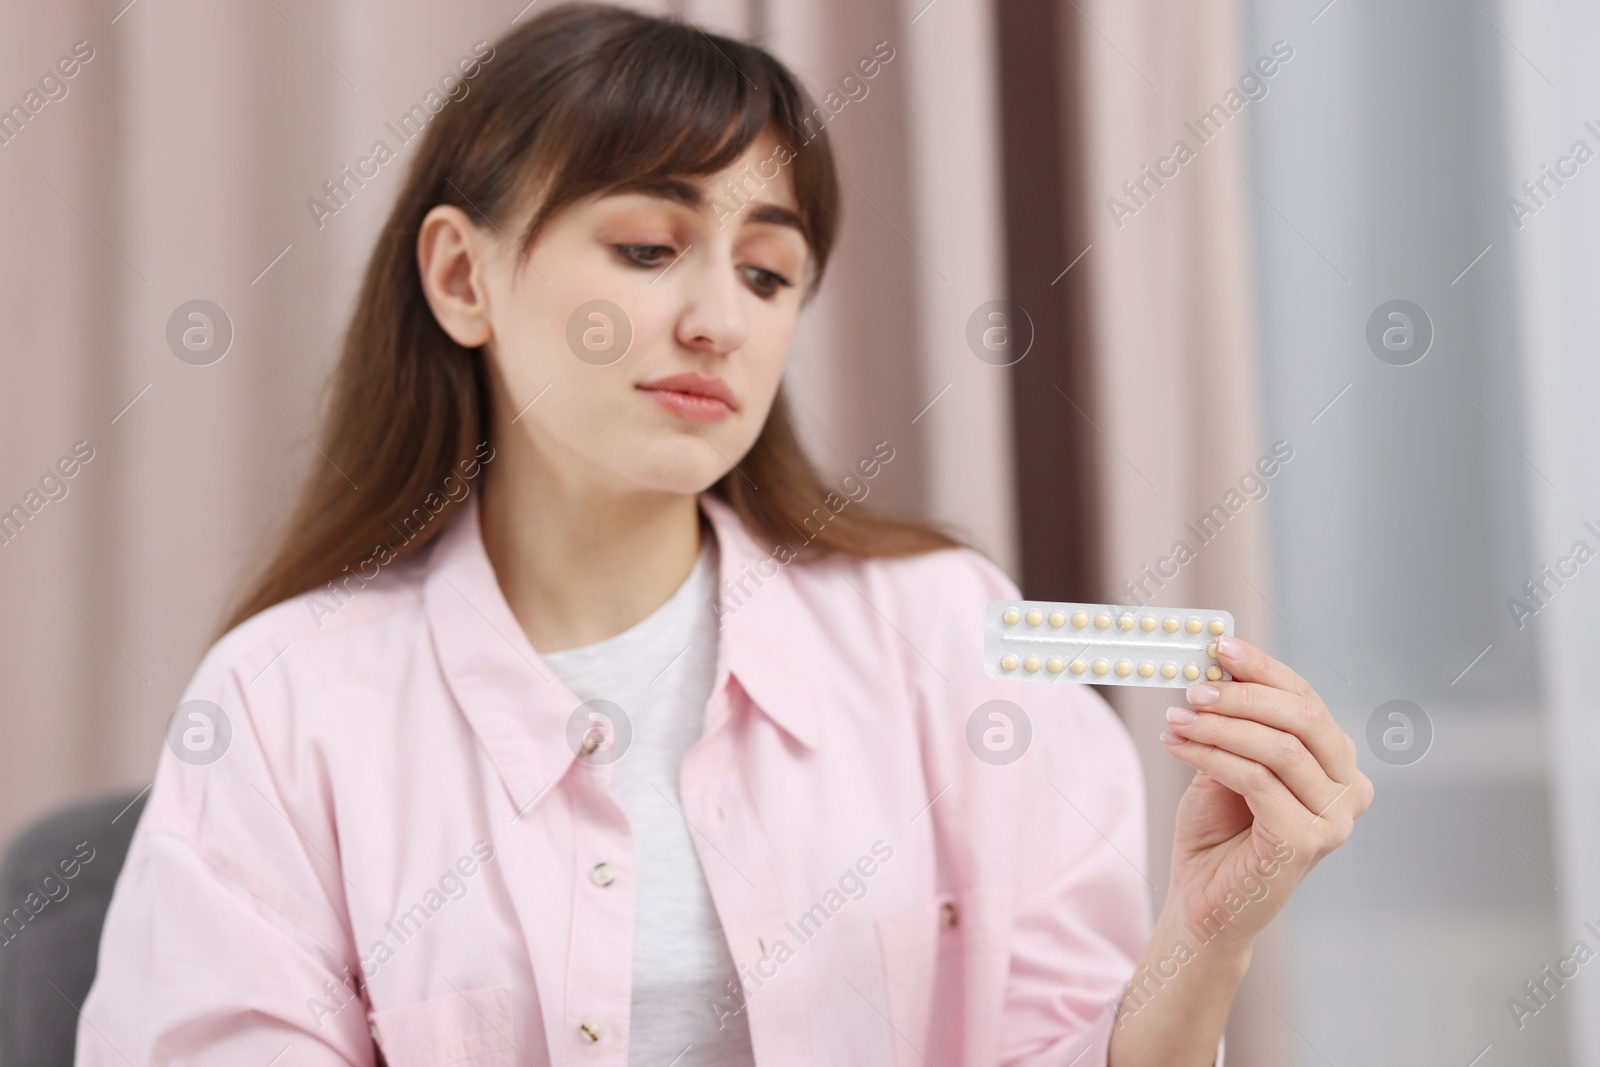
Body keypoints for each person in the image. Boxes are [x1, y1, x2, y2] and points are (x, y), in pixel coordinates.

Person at [77, 4, 1371, 1064]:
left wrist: (1203, 947)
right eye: (648, 248)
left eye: (768, 274)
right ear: (463, 278)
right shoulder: (285, 702)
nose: (718, 320)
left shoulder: (944, 642)